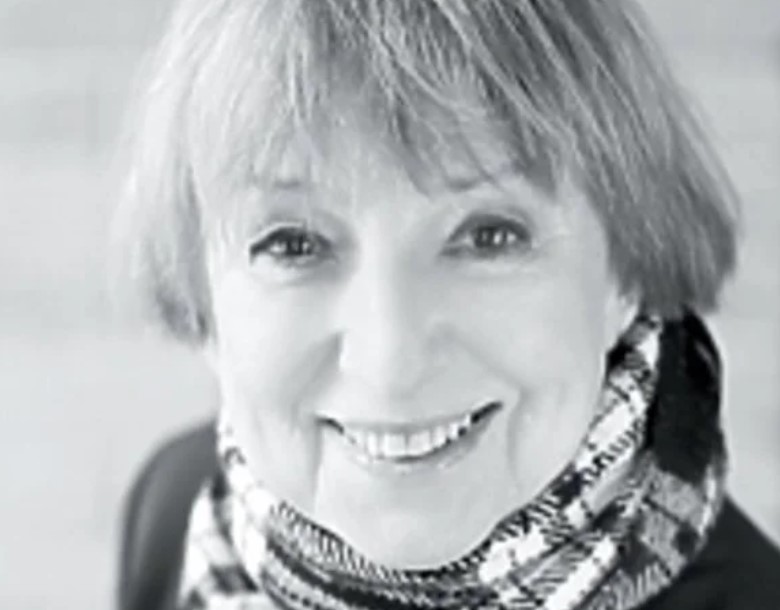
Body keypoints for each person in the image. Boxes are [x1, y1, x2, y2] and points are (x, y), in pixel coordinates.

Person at [113, 0, 780, 608]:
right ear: (204, 299)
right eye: (294, 244)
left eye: (489, 236)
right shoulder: (175, 508)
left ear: (626, 269)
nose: (391, 363)